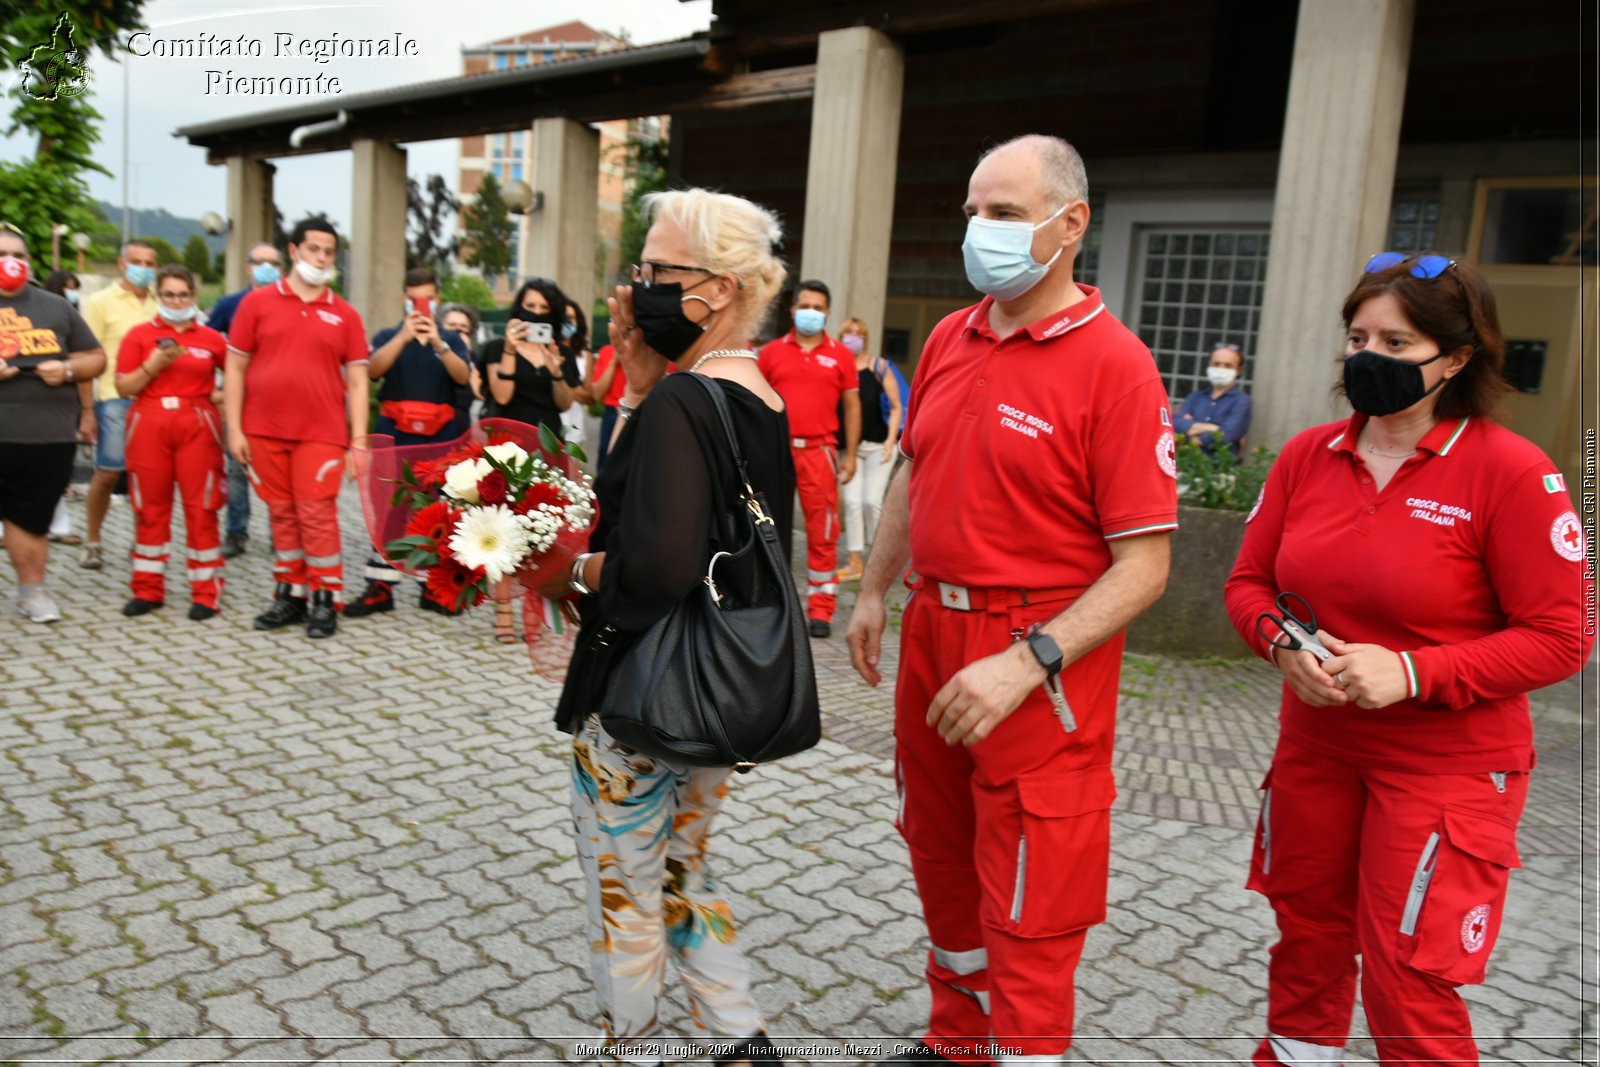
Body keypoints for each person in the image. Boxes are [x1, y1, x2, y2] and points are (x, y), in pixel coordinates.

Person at [845, 134, 1177, 1064]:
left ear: (1068, 225)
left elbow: (1144, 566)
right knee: (942, 856)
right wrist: (873, 590)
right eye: (971, 211)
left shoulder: (1117, 366)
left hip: (1035, 656)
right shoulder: (955, 334)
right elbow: (915, 471)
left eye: (1000, 212)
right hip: (933, 629)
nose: (976, 230)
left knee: (1034, 883)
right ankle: (958, 1042)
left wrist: (1028, 659)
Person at [1223, 252, 1592, 1066]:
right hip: (1317, 751)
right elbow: (1248, 582)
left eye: (1396, 343)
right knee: (1307, 942)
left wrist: (1417, 671)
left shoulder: (1512, 472)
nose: (1368, 358)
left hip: (1446, 768)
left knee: (1408, 972)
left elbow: (1565, 636)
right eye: (1359, 337)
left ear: (1456, 358)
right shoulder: (1307, 456)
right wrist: (1281, 644)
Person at [546, 187, 794, 1065]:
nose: (639, 284)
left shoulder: (689, 404)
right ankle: (738, 1036)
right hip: (717, 694)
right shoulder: (754, 394)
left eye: (658, 269)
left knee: (625, 886)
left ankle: (635, 1046)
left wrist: (563, 569)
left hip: (644, 694)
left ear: (719, 288)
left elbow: (656, 562)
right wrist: (641, 389)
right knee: (686, 866)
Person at [224, 215, 369, 639]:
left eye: (328, 252)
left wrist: (359, 441)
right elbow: (234, 369)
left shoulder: (344, 314)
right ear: (293, 251)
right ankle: (290, 595)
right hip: (262, 430)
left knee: (317, 515)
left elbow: (358, 381)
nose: (321, 258)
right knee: (282, 515)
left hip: (321, 433)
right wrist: (234, 430)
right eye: (313, 249)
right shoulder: (255, 304)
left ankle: (325, 600)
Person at [343, 267, 473, 618]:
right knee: (389, 509)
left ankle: (432, 586)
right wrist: (402, 336)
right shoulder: (389, 335)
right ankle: (380, 586)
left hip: (440, 436)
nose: (421, 305)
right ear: (404, 299)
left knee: (434, 511)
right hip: (394, 433)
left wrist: (439, 343)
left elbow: (463, 378)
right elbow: (372, 372)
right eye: (415, 298)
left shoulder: (451, 339)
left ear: (437, 300)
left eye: (428, 298)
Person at [0, 225, 106, 622]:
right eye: (1, 253)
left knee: (30, 521)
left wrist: (65, 368)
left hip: (44, 438)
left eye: (18, 254)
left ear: (29, 263)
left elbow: (95, 359)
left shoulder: (57, 307)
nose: (10, 261)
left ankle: (32, 592)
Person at [114, 264, 229, 620]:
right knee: (150, 508)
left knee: (202, 508)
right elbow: (123, 387)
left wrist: (218, 396)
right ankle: (148, 588)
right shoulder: (138, 336)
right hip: (149, 421)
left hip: (197, 423)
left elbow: (240, 378)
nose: (176, 301)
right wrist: (153, 365)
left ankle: (206, 592)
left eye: (183, 295)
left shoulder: (211, 338)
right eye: (169, 295)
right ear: (157, 296)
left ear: (193, 297)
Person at [477, 278, 582, 642]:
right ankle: (503, 614)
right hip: (507, 446)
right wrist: (510, 349)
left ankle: (537, 612)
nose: (534, 314)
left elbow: (566, 402)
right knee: (502, 528)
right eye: (529, 307)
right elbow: (501, 394)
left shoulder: (563, 353)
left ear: (552, 314)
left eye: (542, 309)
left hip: (547, 444)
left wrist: (554, 366)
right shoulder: (494, 348)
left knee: (543, 533)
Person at [757, 279, 860, 637]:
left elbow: (852, 405)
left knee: (824, 532)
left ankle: (821, 608)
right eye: (806, 306)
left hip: (821, 452)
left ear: (828, 313)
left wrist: (850, 456)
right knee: (767, 527)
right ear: (792, 309)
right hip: (776, 453)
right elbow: (756, 403)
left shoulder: (842, 355)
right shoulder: (770, 353)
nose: (811, 313)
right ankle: (770, 603)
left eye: (818, 308)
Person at [80, 238, 159, 569]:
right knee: (108, 474)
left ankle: (142, 541)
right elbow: (86, 357)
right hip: (114, 399)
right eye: (136, 261)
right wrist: (86, 411)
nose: (143, 268)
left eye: (149, 263)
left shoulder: (161, 303)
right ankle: (93, 540)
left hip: (153, 401)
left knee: (149, 477)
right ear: (122, 264)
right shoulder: (100, 302)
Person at [207, 241, 284, 560]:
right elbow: (207, 347)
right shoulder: (229, 304)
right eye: (260, 262)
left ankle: (281, 535)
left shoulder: (289, 303)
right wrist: (216, 393)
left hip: (278, 398)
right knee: (237, 469)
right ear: (248, 267)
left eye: (273, 263)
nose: (267, 268)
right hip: (239, 398)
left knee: (279, 471)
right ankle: (236, 533)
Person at [835, 317, 901, 583]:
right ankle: (854, 561)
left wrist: (890, 441)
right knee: (851, 502)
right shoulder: (837, 366)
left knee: (871, 501)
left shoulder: (879, 366)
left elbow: (897, 406)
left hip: (878, 447)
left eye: (859, 333)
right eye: (849, 332)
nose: (854, 336)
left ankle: (879, 558)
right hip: (848, 448)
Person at [41, 270, 87, 545]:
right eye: (69, 287)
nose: (73, 292)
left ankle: (58, 526)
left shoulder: (68, 315)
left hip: (57, 400)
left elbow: (89, 357)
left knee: (54, 466)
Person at [1174, 341, 1252, 457]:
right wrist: (1213, 428)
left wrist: (1192, 433)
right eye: (1216, 364)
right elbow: (1175, 423)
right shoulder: (1195, 397)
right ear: (1209, 366)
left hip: (1219, 468)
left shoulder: (1242, 401)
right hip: (1186, 465)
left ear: (1239, 371)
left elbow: (1227, 435)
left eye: (1228, 365)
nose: (1221, 369)